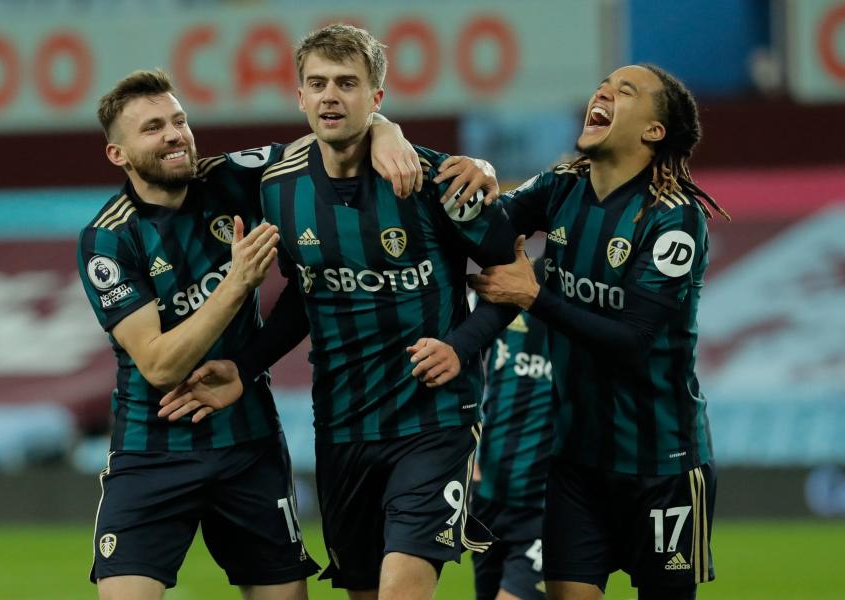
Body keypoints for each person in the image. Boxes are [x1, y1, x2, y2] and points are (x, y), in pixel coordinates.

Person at [159, 24, 519, 600]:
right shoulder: (273, 184)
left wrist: (462, 345)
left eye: (347, 84)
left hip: (434, 421)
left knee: (403, 587)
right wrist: (245, 364)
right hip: (342, 424)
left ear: (376, 98)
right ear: (299, 97)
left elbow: (513, 283)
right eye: (318, 83)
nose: (330, 96)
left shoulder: (440, 181)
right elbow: (305, 294)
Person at [77, 68, 458, 600]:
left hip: (248, 445)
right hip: (152, 450)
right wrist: (236, 286)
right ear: (118, 155)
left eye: (179, 120)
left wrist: (385, 126)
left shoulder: (231, 177)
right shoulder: (108, 239)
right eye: (153, 127)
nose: (174, 135)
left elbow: (331, 131)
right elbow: (160, 366)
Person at [468, 64, 730, 600]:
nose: (603, 92)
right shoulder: (559, 188)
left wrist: (535, 296)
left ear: (653, 131)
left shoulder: (673, 219)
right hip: (576, 463)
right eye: (604, 85)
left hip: (664, 465)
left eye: (625, 90)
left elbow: (632, 342)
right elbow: (484, 233)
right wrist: (462, 174)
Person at [471, 295, 555, 600]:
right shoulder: (503, 293)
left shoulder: (587, 305)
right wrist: (470, 461)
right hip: (489, 498)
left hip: (546, 506)